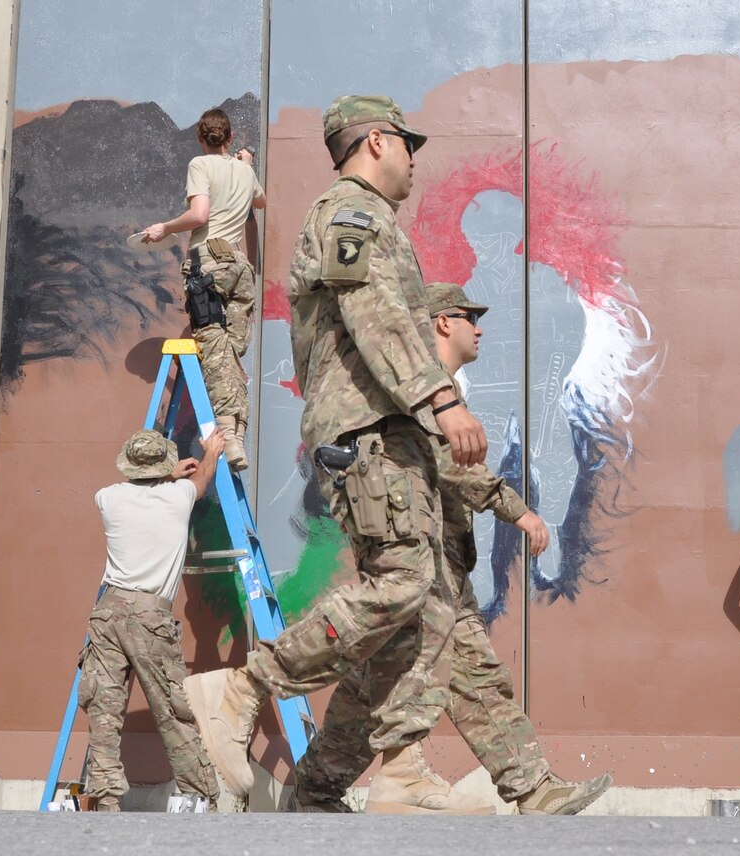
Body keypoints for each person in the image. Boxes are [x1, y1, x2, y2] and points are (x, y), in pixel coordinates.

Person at [184, 95, 490, 806]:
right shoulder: (350, 215)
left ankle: (373, 774)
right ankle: (243, 687)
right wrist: (442, 399)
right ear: (376, 141)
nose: (415, 160)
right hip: (367, 432)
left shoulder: (376, 221)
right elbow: (375, 317)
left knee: (424, 607)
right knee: (406, 584)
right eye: (408, 144)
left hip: (389, 431)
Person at [286, 283, 615, 815]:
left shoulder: (436, 388)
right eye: (469, 317)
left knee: (431, 676)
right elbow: (450, 467)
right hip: (414, 559)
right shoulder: (421, 390)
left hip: (438, 560)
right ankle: (525, 788)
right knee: (414, 674)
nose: (479, 328)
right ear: (442, 322)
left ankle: (316, 790)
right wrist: (519, 511)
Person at [79, 429, 227, 812]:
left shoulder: (107, 499)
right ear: (163, 466)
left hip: (109, 611)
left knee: (104, 710)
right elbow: (203, 478)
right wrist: (210, 452)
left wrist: (165, 473)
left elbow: (140, 485)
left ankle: (106, 799)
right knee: (173, 711)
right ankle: (201, 796)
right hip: (150, 616)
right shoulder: (178, 498)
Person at [142, 109, 266, 470]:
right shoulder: (244, 170)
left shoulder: (199, 165)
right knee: (231, 353)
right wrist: (245, 164)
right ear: (230, 136)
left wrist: (164, 228)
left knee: (215, 351)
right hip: (240, 270)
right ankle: (237, 435)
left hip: (208, 266)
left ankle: (227, 433)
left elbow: (199, 215)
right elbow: (259, 202)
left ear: (201, 138)